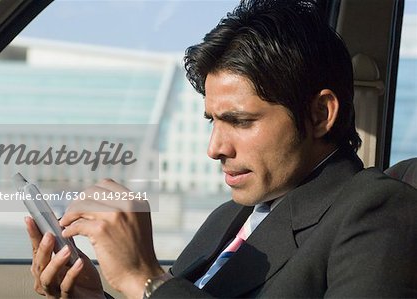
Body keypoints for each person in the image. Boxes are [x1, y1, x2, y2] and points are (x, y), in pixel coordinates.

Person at [26, 0, 417, 298]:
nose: (214, 148)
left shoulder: (379, 212)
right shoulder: (228, 217)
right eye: (212, 120)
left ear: (320, 114)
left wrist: (146, 279)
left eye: (241, 121)